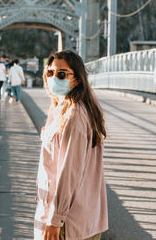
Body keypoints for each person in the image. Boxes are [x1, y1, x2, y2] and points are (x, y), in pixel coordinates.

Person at [34, 50, 108, 240]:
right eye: (50, 73)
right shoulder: (63, 108)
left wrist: (55, 219)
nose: (53, 78)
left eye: (61, 74)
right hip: (77, 218)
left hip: (68, 223)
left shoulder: (74, 116)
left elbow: (69, 173)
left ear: (77, 79)